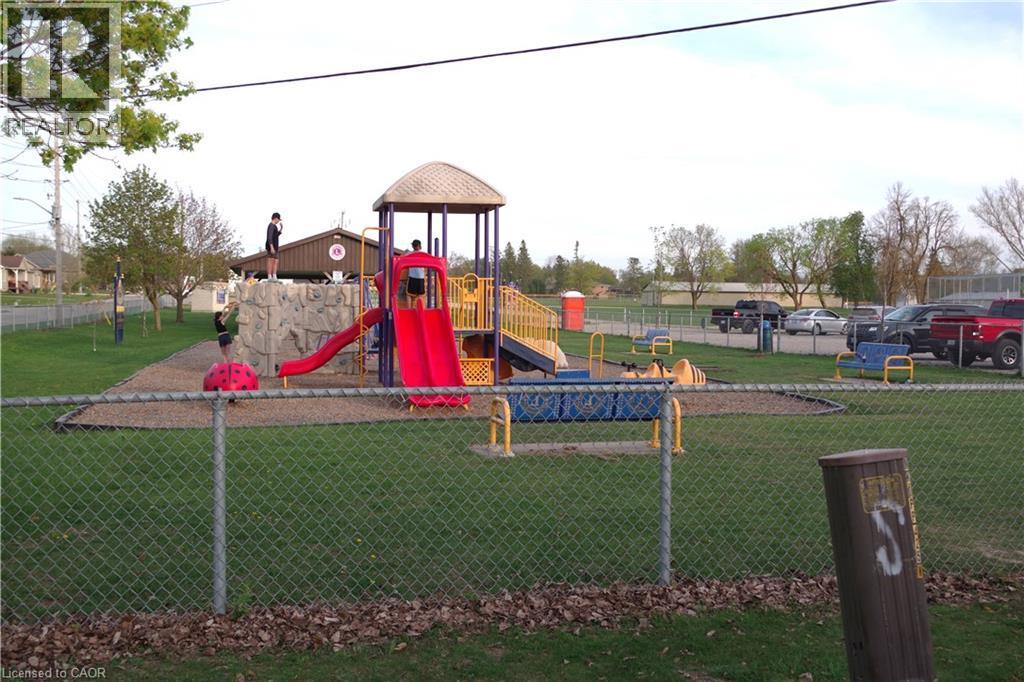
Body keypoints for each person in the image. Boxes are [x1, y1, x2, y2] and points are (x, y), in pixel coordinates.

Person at [406, 239, 426, 308]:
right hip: (421, 278)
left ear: (413, 246)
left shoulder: (409, 254)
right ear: (419, 246)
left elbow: (403, 258)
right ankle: (421, 309)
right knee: (420, 295)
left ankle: (409, 309)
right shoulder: (423, 254)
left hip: (412, 277)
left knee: (409, 294)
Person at [265, 212, 283, 280]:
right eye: (278, 219)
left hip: (275, 247)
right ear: (275, 218)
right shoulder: (271, 226)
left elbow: (275, 236)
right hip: (271, 246)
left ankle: (274, 275)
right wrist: (271, 247)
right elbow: (269, 237)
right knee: (270, 261)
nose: (278, 221)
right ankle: (269, 276)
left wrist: (281, 228)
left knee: (275, 261)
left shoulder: (275, 226)